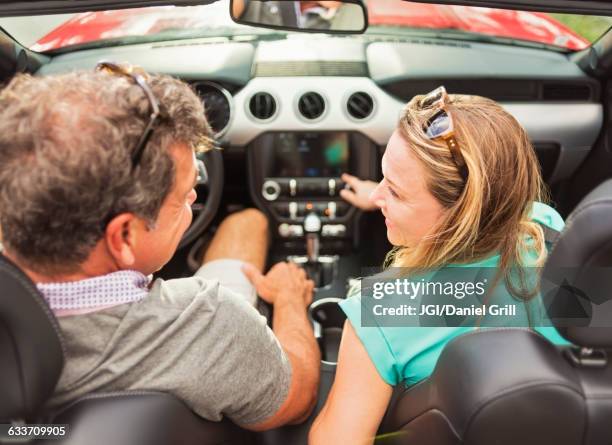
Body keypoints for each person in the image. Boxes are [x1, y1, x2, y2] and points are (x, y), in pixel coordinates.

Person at [0, 66, 320, 430]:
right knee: (250, 220)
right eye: (184, 196)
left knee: (246, 222)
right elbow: (300, 395)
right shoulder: (210, 322)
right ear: (124, 237)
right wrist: (291, 300)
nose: (195, 196)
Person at [310, 87, 570, 444]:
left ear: (460, 216)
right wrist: (399, 193)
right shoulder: (546, 227)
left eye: (395, 191)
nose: (375, 195)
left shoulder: (381, 313)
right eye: (383, 177)